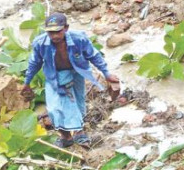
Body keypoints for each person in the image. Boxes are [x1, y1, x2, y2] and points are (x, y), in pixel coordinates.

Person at [21, 13, 118, 148]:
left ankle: (75, 134)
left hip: (77, 72)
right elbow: (34, 63)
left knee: (78, 103)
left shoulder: (79, 39)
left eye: (58, 31)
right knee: (54, 108)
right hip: (54, 76)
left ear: (66, 28)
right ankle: (70, 135)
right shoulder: (40, 43)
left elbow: (94, 56)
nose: (54, 36)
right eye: (50, 32)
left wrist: (106, 73)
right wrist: (27, 82)